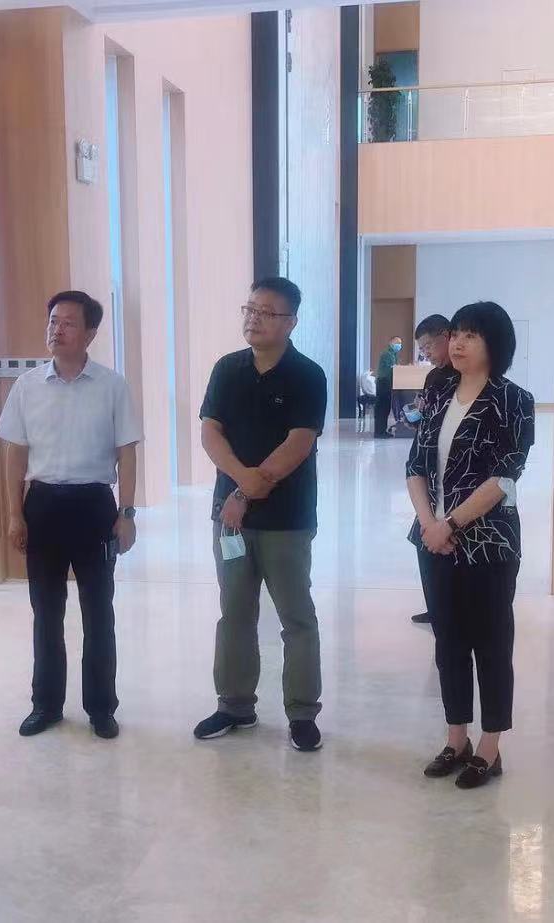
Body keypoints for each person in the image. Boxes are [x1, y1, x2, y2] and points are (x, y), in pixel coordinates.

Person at [0, 291, 141, 741]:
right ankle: (46, 705)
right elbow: (15, 454)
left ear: (90, 333)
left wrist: (127, 513)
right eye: (53, 321)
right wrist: (15, 514)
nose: (57, 330)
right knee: (46, 611)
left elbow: (127, 453)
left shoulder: (112, 386)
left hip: (94, 506)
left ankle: (101, 707)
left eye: (68, 323)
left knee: (98, 611)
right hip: (42, 506)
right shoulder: (27, 387)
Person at [193, 277, 329, 752]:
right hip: (230, 517)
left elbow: (299, 443)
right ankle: (234, 705)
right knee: (234, 612)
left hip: (287, 520)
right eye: (250, 309)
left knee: (296, 616)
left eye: (267, 312)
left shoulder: (307, 375)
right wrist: (239, 482)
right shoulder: (227, 369)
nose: (254, 318)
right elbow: (211, 432)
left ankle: (302, 713)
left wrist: (249, 488)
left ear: (291, 322)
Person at [405, 302, 533, 789]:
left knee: (492, 643)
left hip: (489, 542)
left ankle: (489, 747)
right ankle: (455, 738)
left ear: (495, 344)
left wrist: (451, 523)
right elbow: (415, 466)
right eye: (455, 333)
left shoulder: (513, 400)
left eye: (471, 335)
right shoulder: (439, 392)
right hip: (433, 540)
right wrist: (429, 524)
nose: (457, 343)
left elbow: (504, 476)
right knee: (449, 643)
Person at [409, 313, 461, 625]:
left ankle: (448, 609)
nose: (427, 353)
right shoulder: (434, 377)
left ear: (446, 336)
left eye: (429, 346)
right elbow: (425, 412)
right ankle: (436, 607)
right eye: (423, 349)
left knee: (444, 541)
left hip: (454, 475)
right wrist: (416, 416)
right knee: (424, 539)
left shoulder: (464, 376)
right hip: (426, 468)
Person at [374, 335, 403, 438]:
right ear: (391, 343)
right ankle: (379, 432)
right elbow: (391, 370)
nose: (399, 345)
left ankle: (382, 431)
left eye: (400, 343)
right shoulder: (387, 354)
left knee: (385, 409)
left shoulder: (393, 354)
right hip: (384, 382)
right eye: (397, 343)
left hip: (387, 383)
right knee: (382, 408)